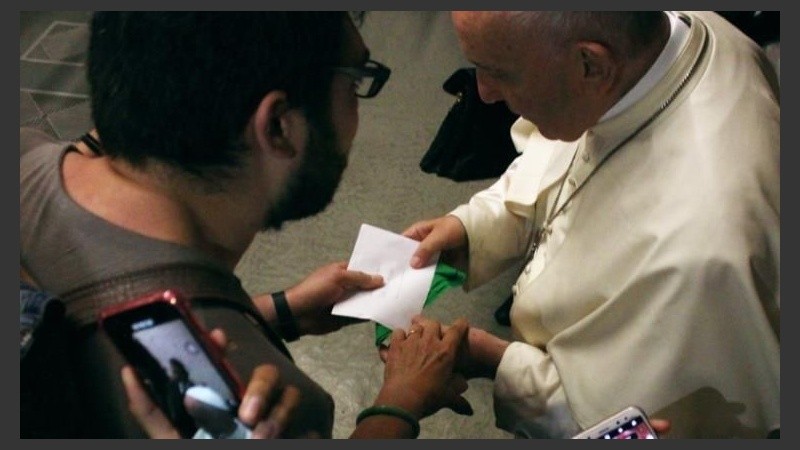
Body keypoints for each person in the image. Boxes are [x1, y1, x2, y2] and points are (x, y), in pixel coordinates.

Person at [20, 12, 472, 438]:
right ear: (277, 127)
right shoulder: (262, 413)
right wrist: (398, 404)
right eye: (354, 81)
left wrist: (280, 311)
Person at [402, 11, 779, 438]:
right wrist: (475, 226)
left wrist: (495, 360)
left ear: (590, 66)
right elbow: (567, 159)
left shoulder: (697, 255)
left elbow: (623, 426)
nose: (483, 93)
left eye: (498, 73)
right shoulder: (658, 43)